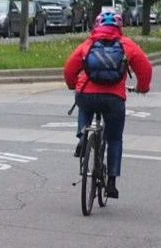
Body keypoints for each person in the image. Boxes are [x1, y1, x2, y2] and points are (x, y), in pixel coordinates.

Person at [64, 11, 152, 199]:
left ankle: (82, 136)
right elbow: (145, 68)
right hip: (114, 98)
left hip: (87, 93)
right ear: (120, 28)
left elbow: (69, 68)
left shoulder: (88, 45)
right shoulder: (126, 45)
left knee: (83, 105)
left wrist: (73, 84)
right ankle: (111, 181)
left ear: (96, 26)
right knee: (114, 138)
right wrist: (142, 88)